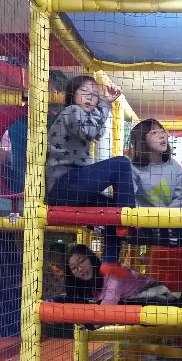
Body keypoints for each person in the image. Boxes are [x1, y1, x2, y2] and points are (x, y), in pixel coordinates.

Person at [46, 75, 136, 267]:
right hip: (65, 184)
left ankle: (109, 265)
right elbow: (90, 132)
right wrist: (104, 104)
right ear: (72, 95)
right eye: (84, 92)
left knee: (111, 210)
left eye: (95, 95)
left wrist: (103, 104)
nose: (90, 97)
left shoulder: (81, 116)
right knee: (121, 164)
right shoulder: (71, 111)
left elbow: (96, 130)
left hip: (72, 188)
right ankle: (127, 219)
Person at [65, 244, 176, 306]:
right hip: (139, 301)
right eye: (74, 268)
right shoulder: (88, 285)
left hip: (159, 295)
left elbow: (105, 311)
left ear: (91, 259)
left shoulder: (111, 273)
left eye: (81, 261)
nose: (80, 269)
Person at [129, 119, 182, 208]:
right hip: (141, 216)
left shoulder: (174, 166)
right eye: (154, 132)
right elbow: (130, 201)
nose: (162, 136)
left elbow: (181, 198)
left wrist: (166, 215)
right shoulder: (133, 168)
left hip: (171, 215)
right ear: (141, 139)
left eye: (163, 131)